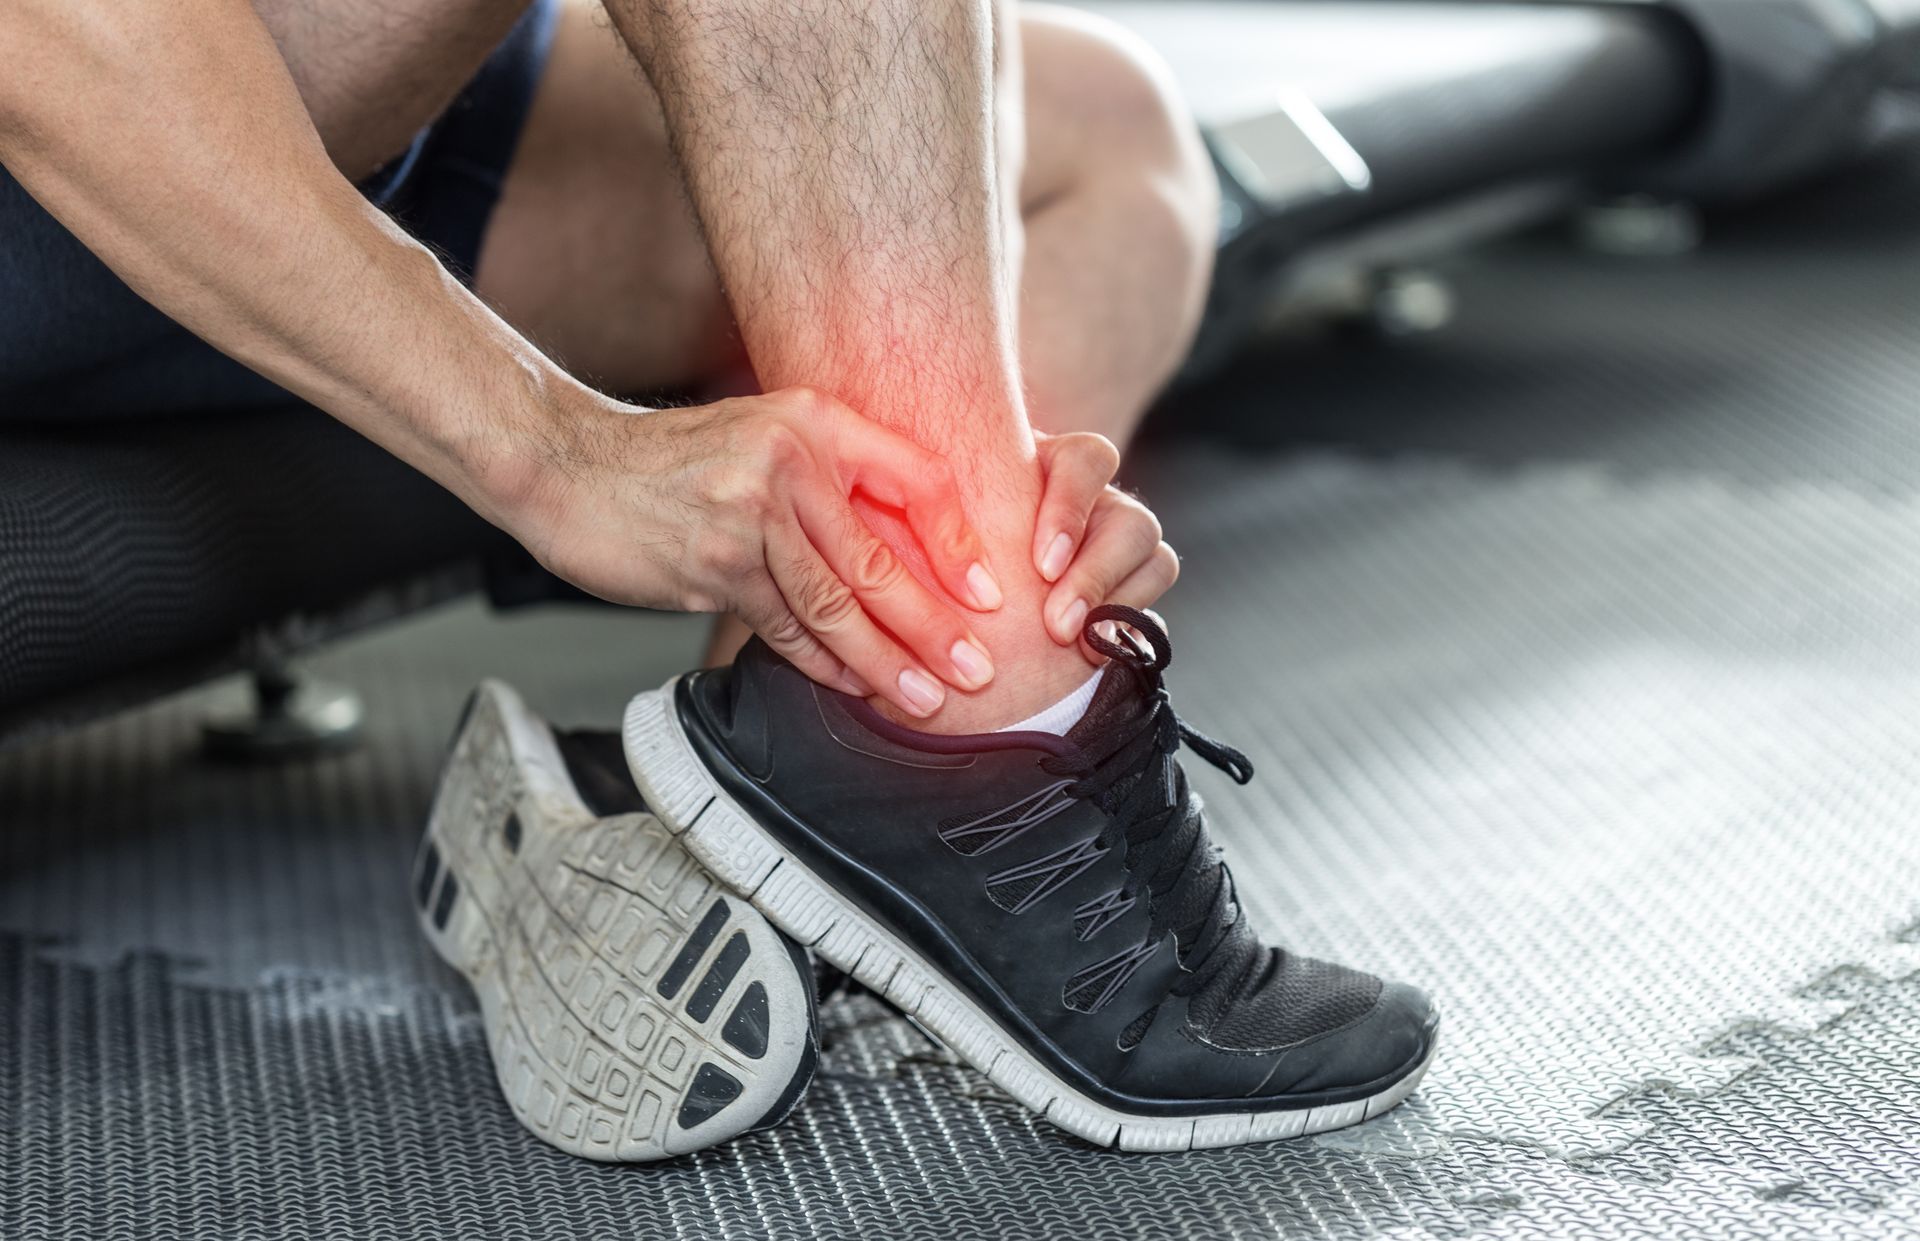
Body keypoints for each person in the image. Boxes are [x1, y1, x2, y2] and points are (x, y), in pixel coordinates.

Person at [2, 0, 1438, 1157]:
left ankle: (796, 758)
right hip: (72, 101)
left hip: (370, 119)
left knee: (1109, 139)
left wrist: (980, 464)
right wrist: (555, 451)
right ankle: (965, 728)